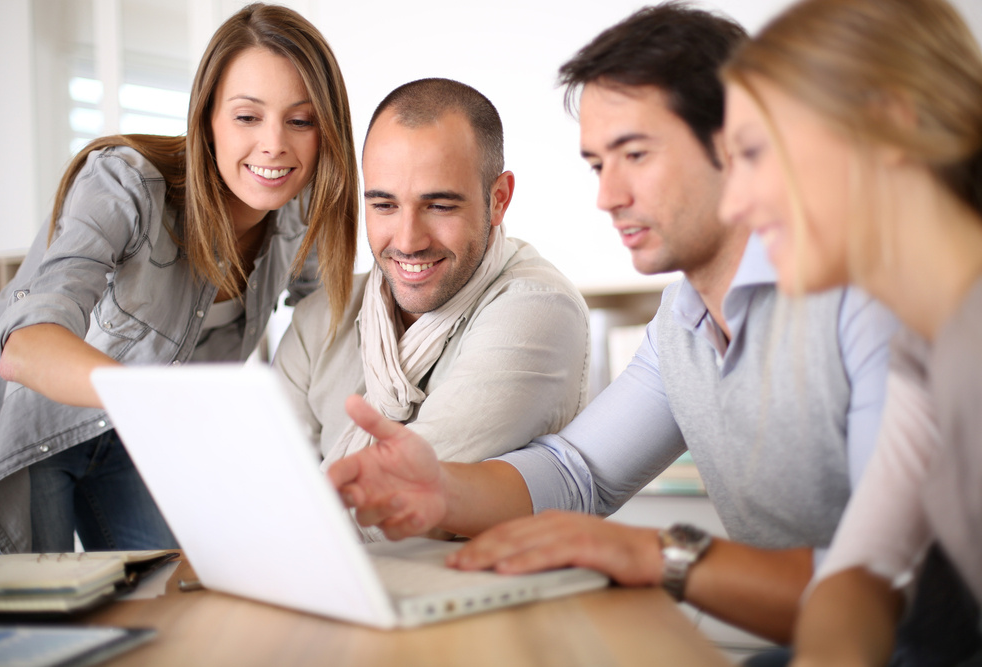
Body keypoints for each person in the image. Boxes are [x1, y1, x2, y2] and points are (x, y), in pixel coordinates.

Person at [326, 3, 898, 647]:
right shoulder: (682, 321)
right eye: (600, 163)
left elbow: (892, 589)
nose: (608, 196)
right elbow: (580, 472)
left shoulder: (869, 296)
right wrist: (442, 487)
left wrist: (657, 553)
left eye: (636, 154)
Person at [0, 3, 359, 555]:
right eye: (247, 117)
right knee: (47, 621)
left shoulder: (302, 216)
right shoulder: (122, 185)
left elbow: (332, 330)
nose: (275, 144)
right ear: (207, 119)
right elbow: (25, 347)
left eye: (300, 120)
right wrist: (161, 402)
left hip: (135, 440)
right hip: (27, 424)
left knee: (174, 589)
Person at [720, 0, 982, 664]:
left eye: (754, 152)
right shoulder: (925, 343)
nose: (733, 205)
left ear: (888, 125)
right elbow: (862, 569)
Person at [272, 78, 590, 538]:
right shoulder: (318, 319)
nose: (406, 241)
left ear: (498, 198)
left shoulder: (538, 310)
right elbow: (264, 487)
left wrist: (273, 522)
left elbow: (394, 504)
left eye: (439, 206)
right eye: (384, 205)